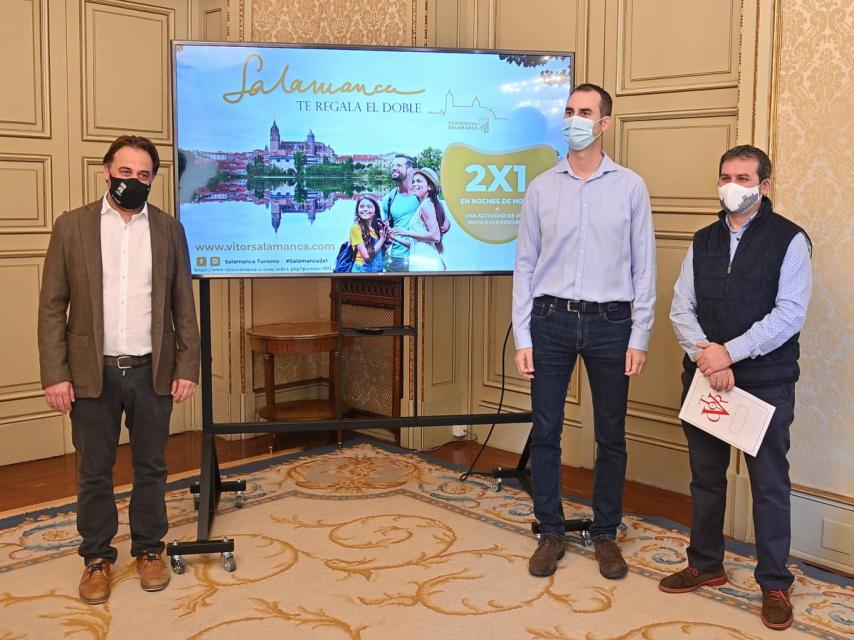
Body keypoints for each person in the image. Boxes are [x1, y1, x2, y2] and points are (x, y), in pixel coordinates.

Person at [38, 135, 200, 605]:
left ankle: (149, 550)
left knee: (152, 466)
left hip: (153, 372)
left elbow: (181, 305)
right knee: (94, 470)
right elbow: (52, 307)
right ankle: (96, 559)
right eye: (125, 172)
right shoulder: (72, 227)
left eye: (144, 175)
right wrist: (55, 374)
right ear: (106, 172)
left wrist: (186, 364)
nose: (134, 181)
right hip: (92, 374)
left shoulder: (169, 230)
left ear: (153, 179)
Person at [660, 145, 812, 631]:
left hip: (765, 382)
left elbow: (789, 314)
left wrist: (731, 353)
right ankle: (706, 564)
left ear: (764, 186)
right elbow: (680, 307)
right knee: (705, 477)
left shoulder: (790, 240)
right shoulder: (703, 239)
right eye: (726, 176)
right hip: (706, 377)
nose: (732, 186)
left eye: (744, 177)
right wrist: (709, 357)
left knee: (769, 485)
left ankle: (773, 582)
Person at [512, 83, 656, 580]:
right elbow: (524, 266)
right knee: (546, 431)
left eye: (585, 112)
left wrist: (640, 336)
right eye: (569, 110)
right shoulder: (541, 187)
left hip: (612, 323)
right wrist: (523, 336)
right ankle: (550, 531)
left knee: (611, 435)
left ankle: (605, 534)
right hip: (549, 320)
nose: (574, 118)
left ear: (604, 123)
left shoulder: (630, 187)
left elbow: (645, 270)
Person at [389, 167, 446, 272]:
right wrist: (395, 238)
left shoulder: (427, 205)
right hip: (420, 258)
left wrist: (406, 232)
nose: (415, 184)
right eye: (413, 181)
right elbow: (416, 243)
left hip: (426, 260)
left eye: (419, 181)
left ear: (429, 186)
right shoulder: (424, 205)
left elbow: (435, 236)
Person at [381, 154, 421, 272]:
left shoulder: (422, 194)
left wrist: (446, 225)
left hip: (422, 254)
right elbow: (388, 228)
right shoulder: (388, 200)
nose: (393, 168)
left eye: (398, 165)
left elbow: (443, 222)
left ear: (409, 169)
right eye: (392, 165)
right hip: (397, 257)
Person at [349, 196, 387, 273]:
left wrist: (387, 240)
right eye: (362, 206)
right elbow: (367, 256)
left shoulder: (375, 229)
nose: (365, 209)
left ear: (375, 211)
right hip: (362, 270)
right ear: (357, 210)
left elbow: (378, 252)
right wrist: (382, 239)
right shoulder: (356, 228)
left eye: (369, 207)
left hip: (378, 271)